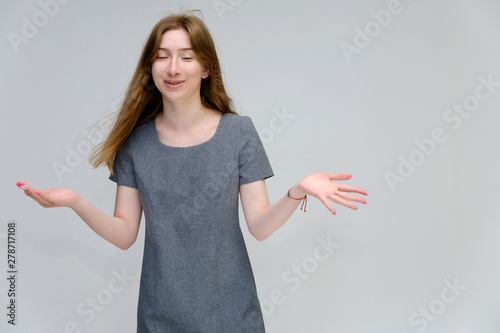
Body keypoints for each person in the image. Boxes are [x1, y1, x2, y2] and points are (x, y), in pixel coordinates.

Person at [16, 10, 367, 333]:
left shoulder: (238, 133)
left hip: (232, 317)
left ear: (205, 68)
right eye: (162, 56)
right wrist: (75, 202)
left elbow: (259, 225)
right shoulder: (135, 143)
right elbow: (124, 234)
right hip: (159, 319)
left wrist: (298, 190)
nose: (173, 67)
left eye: (186, 56)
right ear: (150, 68)